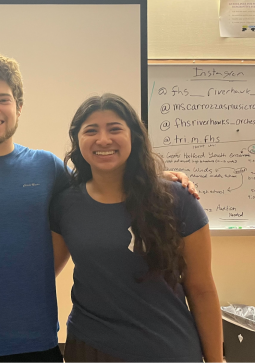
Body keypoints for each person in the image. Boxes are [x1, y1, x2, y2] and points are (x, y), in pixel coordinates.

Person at [0, 53, 197, 362]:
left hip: (34, 338)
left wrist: (155, 179)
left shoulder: (46, 167)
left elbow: (104, 185)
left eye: (3, 99)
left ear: (18, 106)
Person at [51, 93, 223, 363]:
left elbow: (201, 289)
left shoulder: (176, 198)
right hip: (89, 350)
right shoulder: (65, 203)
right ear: (78, 140)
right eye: (91, 130)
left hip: (168, 351)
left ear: (134, 136)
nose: (104, 139)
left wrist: (216, 360)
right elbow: (45, 270)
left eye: (115, 128)